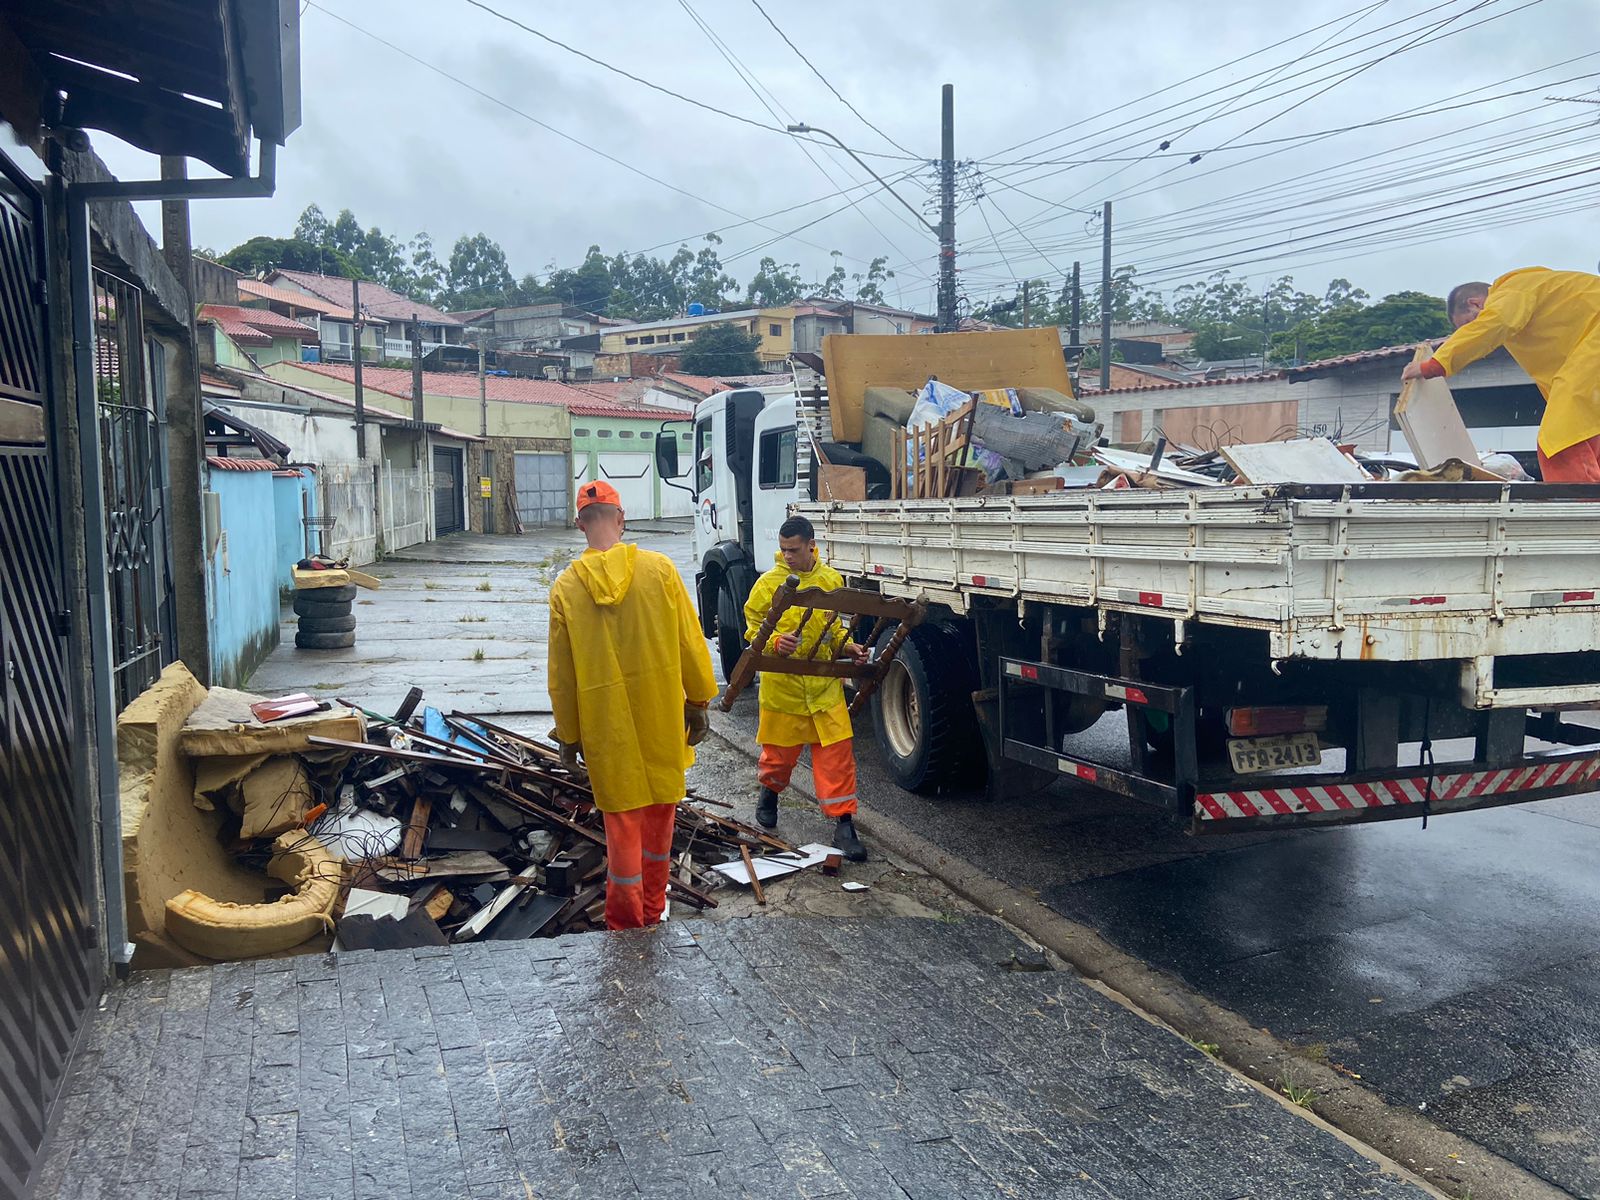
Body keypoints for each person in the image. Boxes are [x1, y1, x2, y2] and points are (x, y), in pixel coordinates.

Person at [547, 480, 717, 930]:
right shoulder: (659, 570)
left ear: (580, 523)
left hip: (607, 728)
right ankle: (651, 910)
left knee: (621, 825)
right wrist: (698, 700)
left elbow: (562, 677)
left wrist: (568, 735)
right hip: (661, 718)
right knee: (660, 816)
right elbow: (689, 640)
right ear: (621, 519)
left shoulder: (567, 587)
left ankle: (625, 922)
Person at [744, 515, 870, 861]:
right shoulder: (768, 585)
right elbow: (753, 630)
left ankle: (844, 824)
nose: (788, 556)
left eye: (794, 550)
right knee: (778, 759)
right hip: (783, 689)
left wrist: (850, 648)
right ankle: (769, 794)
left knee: (838, 758)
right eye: (783, 550)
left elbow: (834, 631)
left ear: (812, 545)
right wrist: (773, 643)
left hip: (823, 688)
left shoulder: (832, 581)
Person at [1401, 268, 1600, 482]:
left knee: (1559, 440)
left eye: (1471, 324)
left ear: (1475, 303)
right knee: (1585, 431)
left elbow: (1494, 324)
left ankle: (1580, 509)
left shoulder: (1512, 291)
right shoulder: (1546, 302)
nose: (1474, 330)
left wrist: (1433, 365)